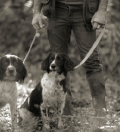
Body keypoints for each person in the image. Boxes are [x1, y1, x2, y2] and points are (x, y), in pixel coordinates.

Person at [32, 0, 109, 131]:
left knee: (91, 62)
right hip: (57, 10)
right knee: (57, 64)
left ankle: (100, 116)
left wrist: (102, 10)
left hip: (85, 11)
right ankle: (65, 117)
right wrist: (36, 12)